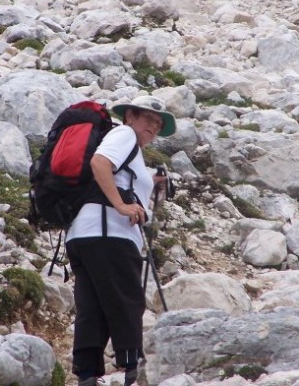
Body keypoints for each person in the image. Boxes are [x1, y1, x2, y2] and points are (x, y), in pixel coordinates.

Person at [65, 95, 177, 386]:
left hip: (83, 234)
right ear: (129, 116)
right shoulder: (125, 134)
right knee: (126, 300)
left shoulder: (130, 148)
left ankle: (87, 374)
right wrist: (121, 206)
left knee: (92, 306)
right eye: (148, 118)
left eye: (158, 122)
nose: (153, 125)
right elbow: (100, 163)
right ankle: (133, 372)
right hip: (109, 233)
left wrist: (149, 181)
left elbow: (117, 174)